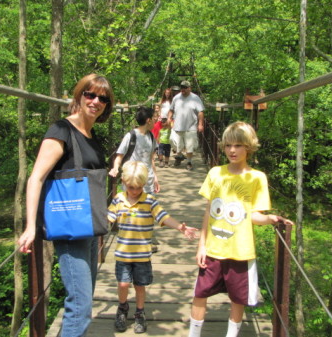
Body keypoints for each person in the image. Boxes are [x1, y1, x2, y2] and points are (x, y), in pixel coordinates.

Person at [18, 74, 114, 337]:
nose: (96, 101)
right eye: (90, 94)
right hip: (71, 229)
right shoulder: (61, 129)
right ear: (79, 95)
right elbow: (36, 177)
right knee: (80, 307)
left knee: (84, 301)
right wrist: (30, 226)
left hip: (90, 226)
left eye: (102, 98)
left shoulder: (91, 135)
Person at [188, 121, 294, 337]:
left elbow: (252, 215)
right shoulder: (215, 173)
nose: (232, 150)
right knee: (200, 293)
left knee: (238, 298)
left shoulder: (257, 178)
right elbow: (208, 211)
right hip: (213, 248)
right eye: (228, 146)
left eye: (238, 145)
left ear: (249, 147)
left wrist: (271, 219)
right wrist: (201, 245)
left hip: (240, 250)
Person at [108, 161, 198, 334]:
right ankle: (122, 308)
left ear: (144, 184)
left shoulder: (149, 201)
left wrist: (180, 227)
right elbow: (108, 217)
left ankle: (140, 313)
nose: (135, 191)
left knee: (140, 286)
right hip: (123, 254)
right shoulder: (119, 199)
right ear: (124, 183)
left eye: (138, 187)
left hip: (142, 255)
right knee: (123, 283)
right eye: (131, 187)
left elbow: (163, 217)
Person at [109, 106, 160, 194]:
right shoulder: (130, 136)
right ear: (148, 120)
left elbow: (151, 160)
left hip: (148, 184)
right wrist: (115, 168)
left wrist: (155, 178)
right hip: (132, 184)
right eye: (154, 119)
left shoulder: (151, 137)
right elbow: (119, 156)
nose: (155, 122)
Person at [168, 80, 205, 171]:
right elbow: (171, 109)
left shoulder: (195, 98)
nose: (183, 89)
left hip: (191, 126)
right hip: (177, 125)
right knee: (173, 141)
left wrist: (200, 124)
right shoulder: (176, 98)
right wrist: (169, 118)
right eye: (182, 87)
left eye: (185, 87)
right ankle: (180, 155)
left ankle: (189, 162)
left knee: (190, 145)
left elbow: (200, 112)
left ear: (189, 88)